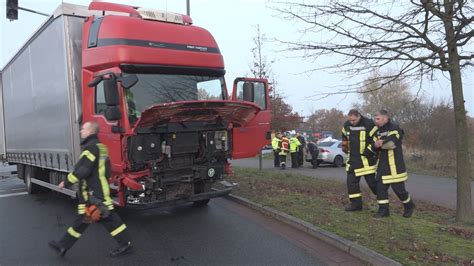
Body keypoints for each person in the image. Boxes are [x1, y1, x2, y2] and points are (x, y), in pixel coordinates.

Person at [49, 121, 133, 257]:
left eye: (83, 129)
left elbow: (84, 170)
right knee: (84, 220)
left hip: (95, 193)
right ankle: (63, 246)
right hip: (95, 191)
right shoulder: (101, 147)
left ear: (90, 131)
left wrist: (66, 182)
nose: (80, 131)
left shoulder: (90, 148)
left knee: (108, 217)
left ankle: (126, 244)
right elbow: (106, 171)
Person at [370, 110, 415, 218]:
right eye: (375, 119)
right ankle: (383, 211)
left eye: (378, 119)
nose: (376, 121)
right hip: (382, 166)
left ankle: (409, 206)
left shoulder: (395, 128)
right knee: (380, 189)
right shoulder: (377, 131)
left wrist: (379, 144)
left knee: (399, 191)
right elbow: (373, 146)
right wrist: (375, 146)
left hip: (395, 166)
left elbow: (391, 144)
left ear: (385, 118)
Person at [341, 109, 378, 211]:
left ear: (358, 116)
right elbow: (344, 136)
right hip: (353, 160)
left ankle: (383, 202)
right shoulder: (347, 124)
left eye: (353, 120)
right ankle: (356, 205)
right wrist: (344, 145)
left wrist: (370, 150)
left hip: (366, 160)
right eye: (350, 120)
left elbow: (376, 138)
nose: (351, 123)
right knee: (351, 183)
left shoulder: (369, 124)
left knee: (373, 184)